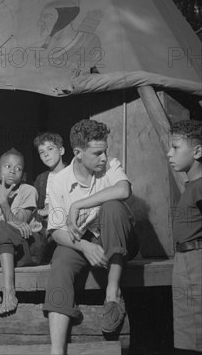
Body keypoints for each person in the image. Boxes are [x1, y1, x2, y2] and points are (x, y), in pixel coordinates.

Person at [44, 119, 138, 355]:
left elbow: (124, 190)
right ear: (77, 153)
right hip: (83, 241)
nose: (104, 158)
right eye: (97, 153)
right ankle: (57, 351)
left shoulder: (111, 166)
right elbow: (56, 231)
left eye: (105, 151)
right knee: (61, 262)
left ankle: (112, 293)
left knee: (113, 207)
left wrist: (78, 204)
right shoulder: (58, 182)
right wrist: (85, 247)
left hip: (118, 239)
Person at [0, 148, 44, 316]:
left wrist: (3, 201)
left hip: (28, 247)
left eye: (18, 168)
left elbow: (20, 222)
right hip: (3, 251)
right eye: (7, 166)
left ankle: (9, 292)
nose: (12, 171)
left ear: (23, 173)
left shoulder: (28, 191)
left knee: (1, 226)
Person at [168, 119, 202, 354]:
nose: (169, 153)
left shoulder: (200, 187)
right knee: (187, 333)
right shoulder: (191, 186)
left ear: (198, 151)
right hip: (184, 262)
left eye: (176, 148)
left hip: (196, 263)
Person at [33, 132, 66, 263]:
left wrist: (50, 209)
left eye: (50, 149)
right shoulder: (41, 178)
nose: (46, 154)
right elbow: (35, 205)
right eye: (41, 152)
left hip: (63, 219)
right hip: (43, 222)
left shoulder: (71, 173)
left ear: (61, 150)